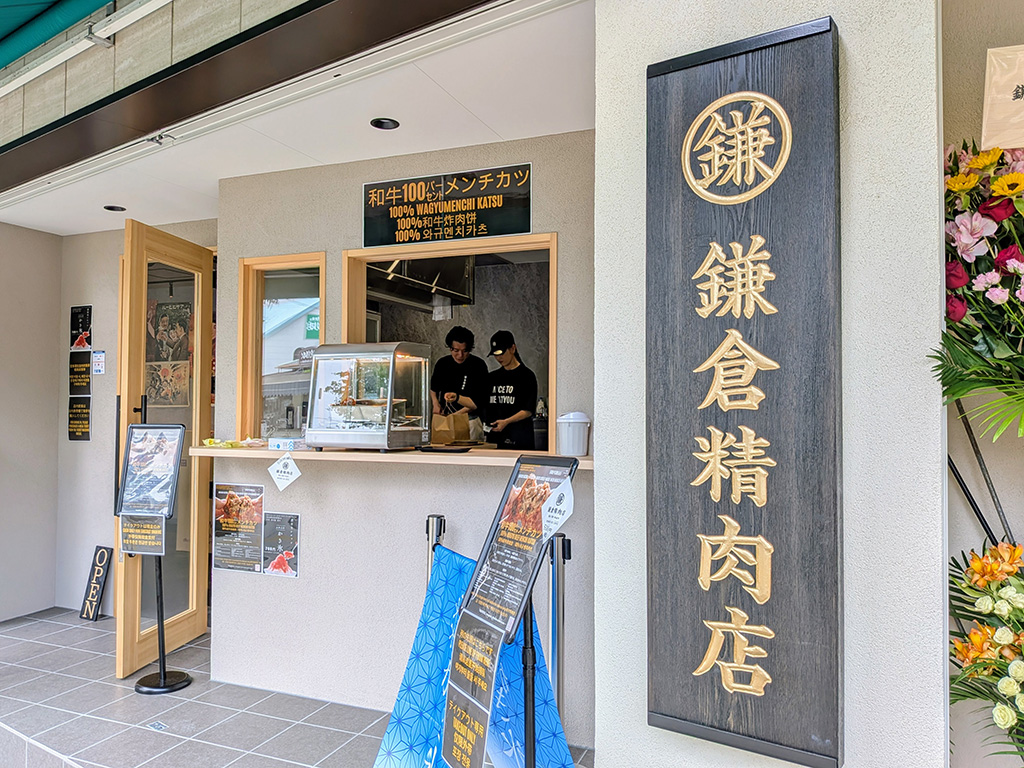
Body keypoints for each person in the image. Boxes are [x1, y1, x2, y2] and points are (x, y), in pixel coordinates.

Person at [430, 326, 489, 441]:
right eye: (456, 350)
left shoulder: (478, 365)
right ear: (450, 348)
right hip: (445, 419)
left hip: (470, 420)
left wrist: (456, 415)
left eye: (465, 351)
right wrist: (435, 403)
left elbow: (478, 402)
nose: (460, 355)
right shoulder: (442, 363)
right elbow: (434, 388)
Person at [485, 330, 537, 450]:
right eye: (495, 355)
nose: (499, 358)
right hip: (495, 439)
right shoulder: (492, 377)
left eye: (501, 353)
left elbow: (528, 410)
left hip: (519, 438)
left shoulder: (527, 376)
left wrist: (506, 421)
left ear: (512, 348)